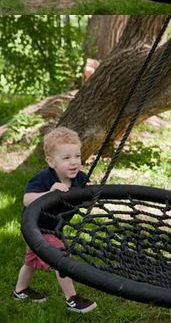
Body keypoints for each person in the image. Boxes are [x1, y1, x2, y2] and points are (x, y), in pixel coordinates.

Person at [14, 126, 97, 312]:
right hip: (36, 228)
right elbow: (26, 199)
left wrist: (89, 192)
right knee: (61, 256)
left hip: (55, 227)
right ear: (51, 161)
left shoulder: (79, 178)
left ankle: (20, 291)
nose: (74, 162)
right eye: (66, 158)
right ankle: (72, 299)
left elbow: (82, 197)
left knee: (30, 262)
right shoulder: (44, 177)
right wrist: (50, 193)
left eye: (77, 156)